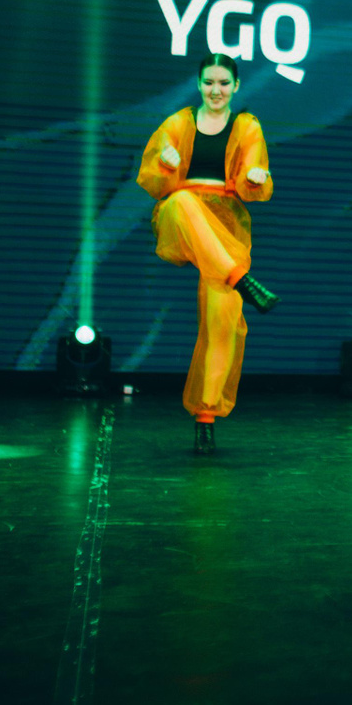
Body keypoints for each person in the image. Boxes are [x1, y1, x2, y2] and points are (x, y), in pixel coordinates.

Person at [137, 53, 278, 456]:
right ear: (198, 84)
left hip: (225, 224)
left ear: (236, 86)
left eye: (223, 83)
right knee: (182, 202)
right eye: (209, 82)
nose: (216, 90)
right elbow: (152, 178)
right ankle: (239, 278)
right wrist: (166, 166)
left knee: (223, 319)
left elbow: (254, 178)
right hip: (180, 216)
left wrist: (254, 177)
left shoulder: (247, 126)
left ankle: (206, 417)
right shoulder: (178, 123)